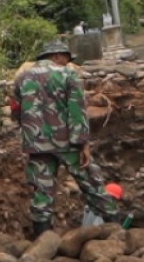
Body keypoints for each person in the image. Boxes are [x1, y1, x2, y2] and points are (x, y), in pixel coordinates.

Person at [11, 40, 120, 237]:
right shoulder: (68, 75)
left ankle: (42, 238)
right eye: (67, 59)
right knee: (93, 184)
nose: (68, 63)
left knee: (42, 191)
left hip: (36, 144)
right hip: (68, 142)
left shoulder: (22, 78)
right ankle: (117, 232)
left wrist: (30, 134)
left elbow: (16, 111)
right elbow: (77, 110)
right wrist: (83, 143)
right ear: (57, 56)